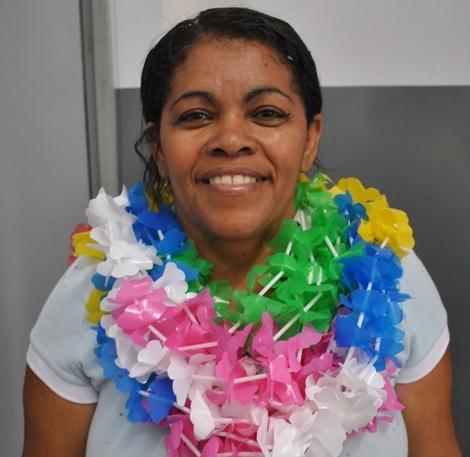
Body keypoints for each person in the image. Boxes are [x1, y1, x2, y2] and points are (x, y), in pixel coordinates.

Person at [22, 7, 462, 457]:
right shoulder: (97, 292)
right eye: (196, 116)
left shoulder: (383, 279)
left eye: (267, 113)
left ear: (310, 139)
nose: (231, 140)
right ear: (158, 148)